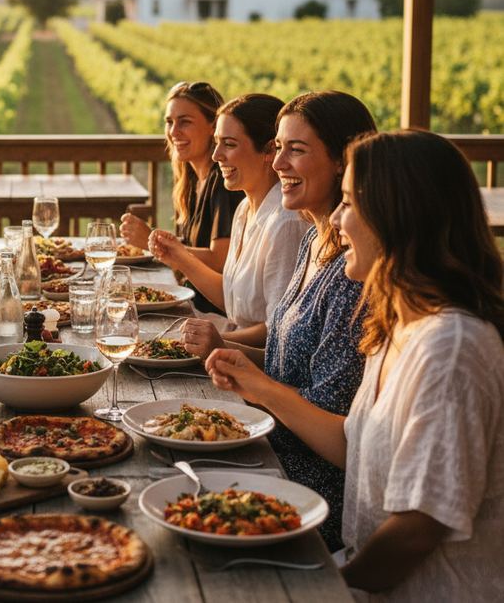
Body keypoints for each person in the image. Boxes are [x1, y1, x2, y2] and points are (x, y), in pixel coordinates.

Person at [206, 130, 504, 600]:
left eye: (349, 202)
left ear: (397, 216)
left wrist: (329, 585)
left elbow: (419, 526)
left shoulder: (452, 347)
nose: (338, 219)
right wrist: (255, 384)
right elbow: (353, 444)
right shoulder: (398, 325)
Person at [184, 90, 377, 550]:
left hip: (307, 491)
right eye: (278, 147)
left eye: (297, 149)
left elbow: (336, 427)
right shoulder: (313, 238)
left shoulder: (353, 273)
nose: (278, 163)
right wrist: (230, 356)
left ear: (342, 162)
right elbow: (287, 356)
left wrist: (255, 384)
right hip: (264, 446)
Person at [152, 94, 308, 346]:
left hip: (254, 364)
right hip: (232, 347)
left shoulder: (286, 223)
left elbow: (278, 331)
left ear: (269, 150)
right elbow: (232, 299)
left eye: (229, 144)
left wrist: (218, 341)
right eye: (216, 142)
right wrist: (179, 256)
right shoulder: (245, 208)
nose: (216, 155)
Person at [120, 80, 244, 311]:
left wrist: (153, 242)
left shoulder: (223, 181)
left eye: (184, 122)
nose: (174, 132)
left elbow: (221, 260)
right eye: (169, 122)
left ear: (213, 126)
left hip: (210, 312)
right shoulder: (191, 179)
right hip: (190, 300)